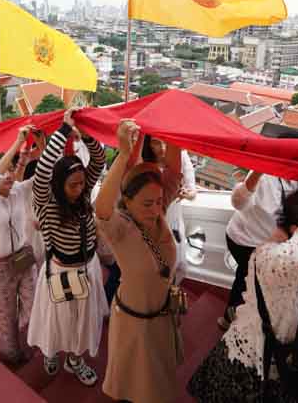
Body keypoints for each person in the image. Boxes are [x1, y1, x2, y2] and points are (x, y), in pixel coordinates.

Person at [188, 164, 298, 402]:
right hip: (250, 369)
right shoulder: (271, 260)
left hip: (287, 367)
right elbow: (295, 259)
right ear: (295, 231)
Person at [95, 119, 183, 403]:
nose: (156, 209)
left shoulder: (158, 208)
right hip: (134, 321)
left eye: (159, 201)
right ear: (128, 201)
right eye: (147, 203)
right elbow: (101, 208)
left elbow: (173, 171)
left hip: (162, 316)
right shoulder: (120, 227)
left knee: (158, 379)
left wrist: (169, 120)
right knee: (132, 384)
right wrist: (123, 153)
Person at [27, 108, 108, 386]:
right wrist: (63, 130)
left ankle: (75, 359)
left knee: (82, 320)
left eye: (82, 183)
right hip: (60, 269)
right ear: (58, 185)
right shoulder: (46, 203)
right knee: (56, 319)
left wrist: (84, 133)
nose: (79, 189)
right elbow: (42, 173)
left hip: (86, 267)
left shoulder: (84, 193)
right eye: (72, 185)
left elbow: (99, 159)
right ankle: (51, 353)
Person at [217, 130, 298, 330]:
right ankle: (232, 319)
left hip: (267, 242)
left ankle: (230, 318)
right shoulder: (264, 176)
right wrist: (257, 171)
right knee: (249, 280)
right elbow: (238, 202)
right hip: (245, 239)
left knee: (246, 278)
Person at [0, 129, 39, 363]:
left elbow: (43, 172)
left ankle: (34, 341)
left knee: (34, 307)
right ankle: (12, 354)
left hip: (23, 257)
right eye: (6, 170)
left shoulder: (19, 191)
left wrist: (46, 142)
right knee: (6, 316)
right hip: (0, 267)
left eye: (12, 170)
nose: (10, 174)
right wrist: (18, 142)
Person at [142, 135, 197, 284]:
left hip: (174, 217)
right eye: (156, 143)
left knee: (179, 264)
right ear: (148, 145)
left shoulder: (182, 155)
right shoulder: (143, 164)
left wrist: (185, 194)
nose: (162, 148)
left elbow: (192, 191)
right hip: (152, 219)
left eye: (165, 142)